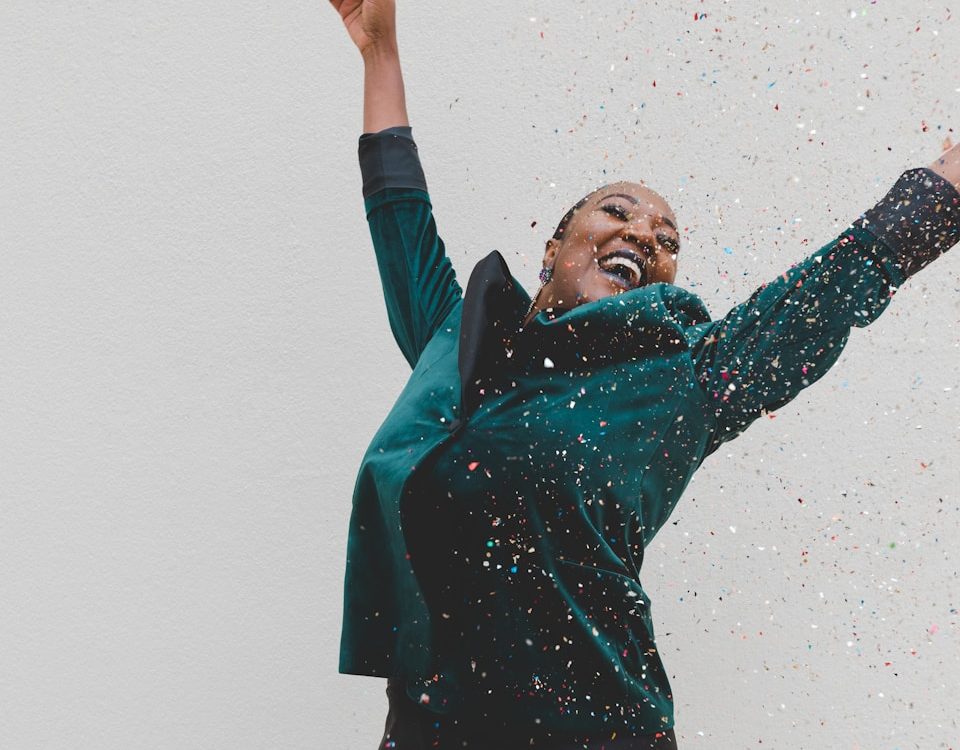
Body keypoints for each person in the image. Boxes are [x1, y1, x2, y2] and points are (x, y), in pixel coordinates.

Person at [328, 1, 960, 748]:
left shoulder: (680, 382)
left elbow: (819, 298)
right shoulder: (455, 344)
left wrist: (947, 185)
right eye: (617, 212)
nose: (642, 234)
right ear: (554, 248)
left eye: (667, 239)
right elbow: (399, 212)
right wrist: (380, 53)